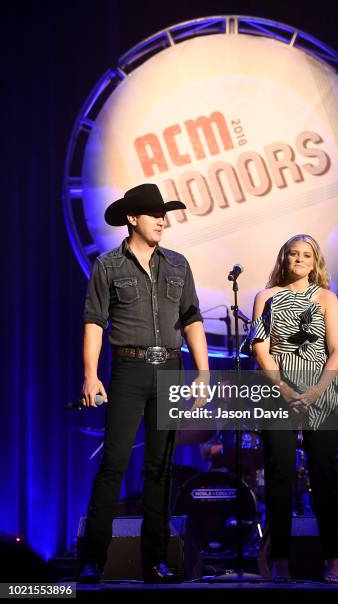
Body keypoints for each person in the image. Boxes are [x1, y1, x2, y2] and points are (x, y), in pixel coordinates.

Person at [78, 183, 209, 584]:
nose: (162, 220)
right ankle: (92, 561)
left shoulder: (178, 264)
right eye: (154, 214)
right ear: (132, 219)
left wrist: (202, 373)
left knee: (161, 467)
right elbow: (94, 322)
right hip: (129, 369)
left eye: (164, 214)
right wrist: (90, 374)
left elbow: (192, 318)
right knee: (114, 464)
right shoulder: (109, 265)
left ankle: (155, 561)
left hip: (171, 368)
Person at [244, 234, 338, 584]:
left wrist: (316, 390)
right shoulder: (265, 297)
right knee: (279, 474)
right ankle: (280, 558)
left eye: (306, 255)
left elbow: (337, 352)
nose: (299, 259)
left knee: (324, 475)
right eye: (293, 254)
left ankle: (333, 559)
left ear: (315, 262)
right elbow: (260, 349)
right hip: (277, 392)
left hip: (322, 392)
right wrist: (285, 389)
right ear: (283, 259)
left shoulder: (327, 298)